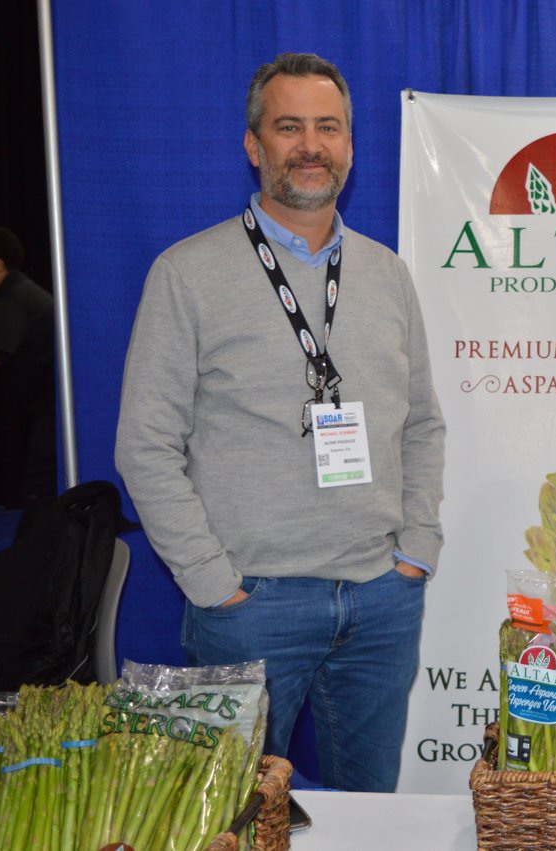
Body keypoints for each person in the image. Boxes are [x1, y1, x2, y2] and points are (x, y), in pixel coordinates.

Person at [116, 53, 445, 792]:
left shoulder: (387, 274)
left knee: (371, 814)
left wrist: (415, 552)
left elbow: (422, 423)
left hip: (380, 600)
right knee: (232, 814)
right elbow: (145, 445)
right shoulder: (186, 273)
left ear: (350, 145)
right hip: (251, 606)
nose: (310, 145)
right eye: (288, 126)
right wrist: (215, 585)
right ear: (253, 144)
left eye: (328, 127)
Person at [0, 227, 56, 509]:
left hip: (52, 411)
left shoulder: (13, 298)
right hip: (46, 409)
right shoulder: (18, 292)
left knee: (39, 489)